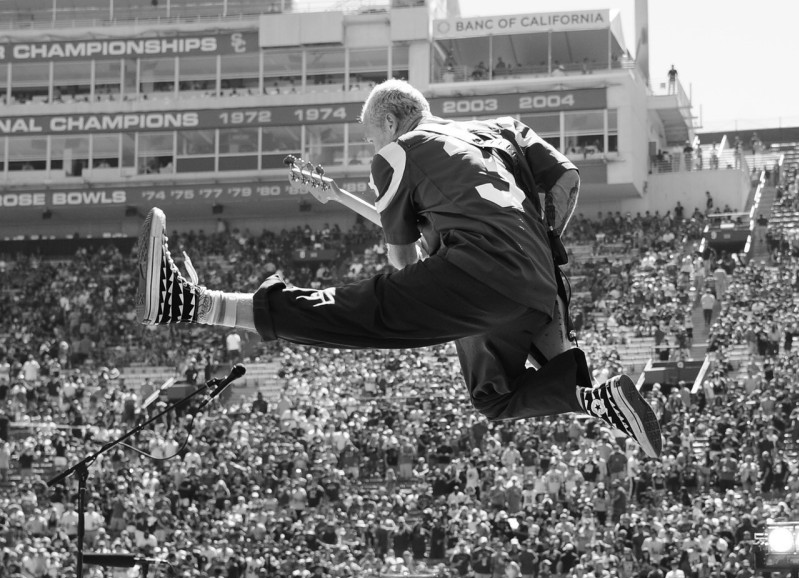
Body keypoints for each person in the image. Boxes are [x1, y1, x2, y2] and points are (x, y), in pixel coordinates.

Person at [134, 78, 661, 458]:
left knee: (358, 312)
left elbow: (403, 260)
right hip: (540, 280)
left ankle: (191, 303)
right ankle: (597, 400)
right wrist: (531, 254)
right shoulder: (504, 129)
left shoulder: (399, 153)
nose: (372, 147)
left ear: (389, 121)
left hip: (476, 272)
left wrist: (438, 253)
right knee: (495, 398)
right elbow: (567, 182)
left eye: (370, 136)